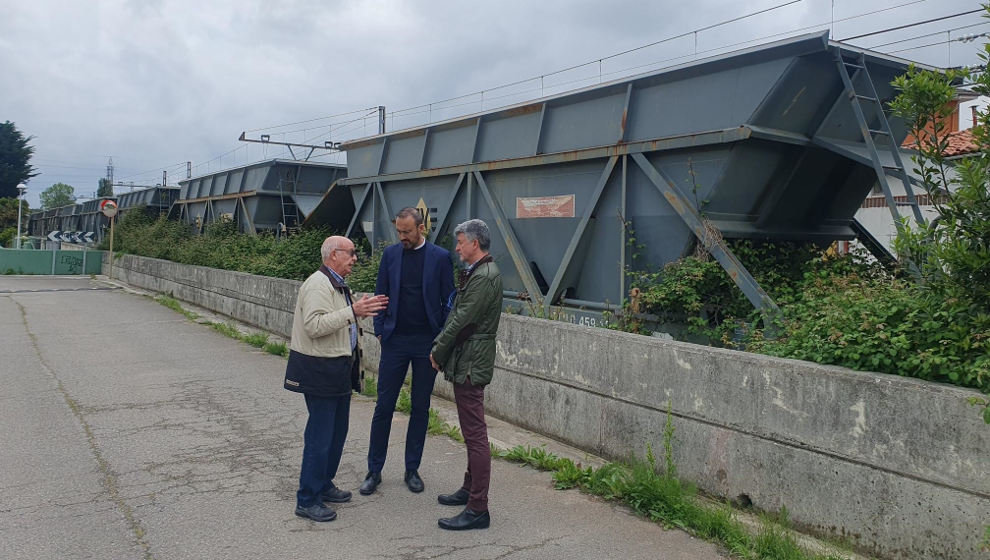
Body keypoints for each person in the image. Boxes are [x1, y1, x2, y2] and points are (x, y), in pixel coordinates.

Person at [284, 236, 388, 522]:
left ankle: (323, 483)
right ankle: (307, 498)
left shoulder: (337, 283)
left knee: (336, 433)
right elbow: (315, 325)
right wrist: (352, 311)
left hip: (337, 369)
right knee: (320, 436)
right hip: (320, 370)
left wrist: (356, 312)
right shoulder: (318, 284)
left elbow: (341, 321)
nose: (355, 258)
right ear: (333, 255)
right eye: (351, 253)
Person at [360, 207, 455, 495]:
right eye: (398, 232)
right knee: (383, 406)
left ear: (421, 229)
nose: (401, 236)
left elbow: (449, 301)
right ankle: (373, 471)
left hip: (426, 343)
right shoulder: (390, 255)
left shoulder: (440, 257)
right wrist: (379, 329)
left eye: (407, 232)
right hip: (395, 341)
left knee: (420, 407)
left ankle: (412, 469)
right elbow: (380, 294)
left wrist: (440, 341)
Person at [430, 219, 502, 531]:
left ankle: (478, 508)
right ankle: (469, 490)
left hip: (471, 361)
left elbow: (462, 319)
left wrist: (438, 350)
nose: (457, 248)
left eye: (461, 242)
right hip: (469, 358)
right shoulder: (481, 272)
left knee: (475, 436)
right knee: (472, 432)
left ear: (475, 243)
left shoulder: (484, 276)